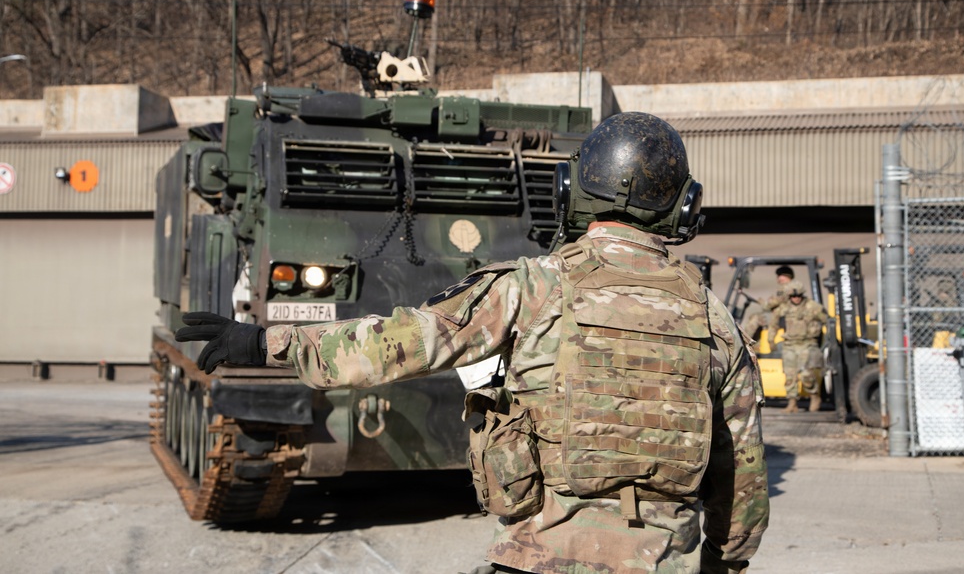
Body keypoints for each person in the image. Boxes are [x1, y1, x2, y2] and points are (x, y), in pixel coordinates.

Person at [176, 112, 770, 574]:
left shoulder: (530, 289)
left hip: (542, 559)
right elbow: (741, 487)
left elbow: (396, 345)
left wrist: (268, 342)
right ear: (683, 206)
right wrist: (716, 563)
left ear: (574, 192)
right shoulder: (715, 321)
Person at [768, 280, 826, 413]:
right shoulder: (783, 308)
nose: (796, 298)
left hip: (807, 344)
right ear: (789, 296)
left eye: (799, 295)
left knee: (806, 375)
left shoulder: (813, 307)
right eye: (793, 296)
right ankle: (792, 403)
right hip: (790, 345)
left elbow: (827, 320)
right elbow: (773, 324)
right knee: (789, 375)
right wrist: (771, 339)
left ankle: (815, 396)